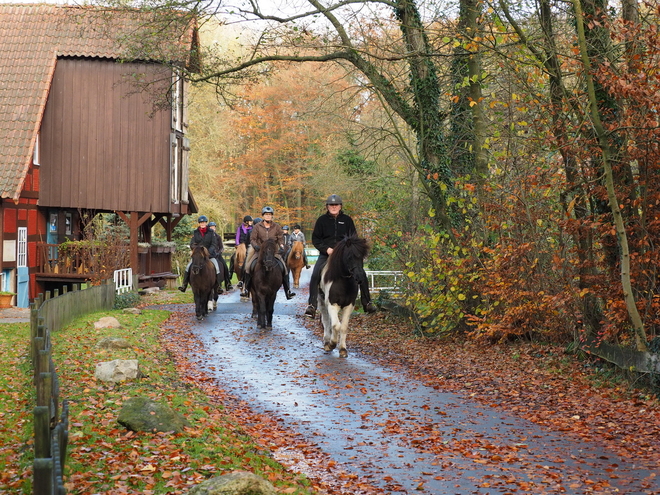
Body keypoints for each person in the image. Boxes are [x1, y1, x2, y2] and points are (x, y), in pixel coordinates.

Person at [305, 195, 377, 318]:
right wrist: (326, 249)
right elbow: (316, 239)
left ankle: (367, 303)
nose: (334, 207)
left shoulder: (347, 220)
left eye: (336, 205)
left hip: (344, 255)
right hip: (327, 254)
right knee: (316, 273)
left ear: (340, 206)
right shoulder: (321, 220)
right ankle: (312, 305)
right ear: (327, 206)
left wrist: (348, 250)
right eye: (331, 205)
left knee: (361, 273)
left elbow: (353, 238)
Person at [240, 206, 296, 300]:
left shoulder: (277, 227)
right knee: (249, 266)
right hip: (259, 250)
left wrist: (282, 246)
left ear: (272, 216)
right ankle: (246, 289)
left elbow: (280, 239)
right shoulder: (257, 227)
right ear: (263, 216)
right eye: (266, 214)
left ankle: (288, 291)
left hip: (273, 251)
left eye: (269, 215)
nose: (268, 216)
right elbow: (252, 239)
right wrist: (256, 246)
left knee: (284, 267)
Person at [178, 215, 222, 293]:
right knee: (188, 267)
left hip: (209, 255)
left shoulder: (211, 232)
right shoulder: (195, 232)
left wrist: (208, 252)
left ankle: (218, 286)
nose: (202, 224)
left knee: (217, 267)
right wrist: (197, 249)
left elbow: (214, 244)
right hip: (198, 256)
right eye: (201, 222)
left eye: (204, 222)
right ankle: (184, 285)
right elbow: (192, 244)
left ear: (206, 223)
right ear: (199, 223)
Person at [208, 221, 232, 290]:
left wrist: (219, 252)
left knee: (225, 266)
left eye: (213, 227)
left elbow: (221, 247)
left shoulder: (218, 237)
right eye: (211, 227)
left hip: (217, 255)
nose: (212, 228)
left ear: (215, 228)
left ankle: (228, 283)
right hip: (209, 255)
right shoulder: (207, 237)